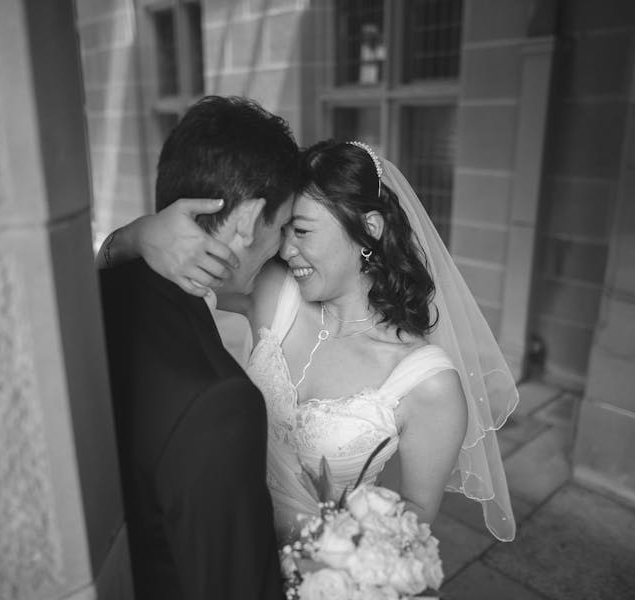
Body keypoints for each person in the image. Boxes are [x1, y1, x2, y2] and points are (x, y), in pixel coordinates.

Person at [104, 139, 518, 544]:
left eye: (302, 231)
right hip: (226, 548)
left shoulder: (428, 383)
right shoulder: (272, 293)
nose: (286, 248)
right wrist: (137, 235)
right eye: (285, 230)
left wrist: (326, 561)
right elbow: (171, 266)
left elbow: (415, 517)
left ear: (368, 231)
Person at [97, 95, 300, 599]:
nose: (283, 252)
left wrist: (129, 238)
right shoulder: (219, 402)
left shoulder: (108, 289)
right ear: (251, 219)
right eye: (282, 228)